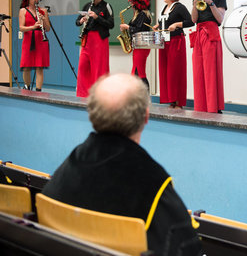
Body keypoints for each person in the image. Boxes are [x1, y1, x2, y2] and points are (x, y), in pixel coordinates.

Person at [42, 73, 202, 255]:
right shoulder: (153, 183)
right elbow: (187, 248)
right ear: (145, 117)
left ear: (93, 114)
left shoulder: (68, 169)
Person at [190, 0, 227, 113]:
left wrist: (210, 2)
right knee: (198, 71)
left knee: (211, 71)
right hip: (199, 34)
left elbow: (220, 19)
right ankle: (201, 106)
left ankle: (213, 107)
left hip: (211, 34)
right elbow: (193, 19)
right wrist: (195, 3)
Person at [154, 0, 193, 108]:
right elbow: (165, 23)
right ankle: (170, 99)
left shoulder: (179, 7)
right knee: (166, 71)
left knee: (175, 71)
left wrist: (177, 24)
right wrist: (158, 26)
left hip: (176, 42)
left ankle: (178, 101)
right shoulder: (165, 8)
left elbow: (191, 21)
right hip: (164, 42)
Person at [75, 0, 114, 97]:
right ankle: (83, 94)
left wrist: (98, 17)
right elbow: (76, 22)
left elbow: (111, 25)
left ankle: (99, 95)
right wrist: (81, 20)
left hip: (99, 40)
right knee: (82, 67)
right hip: (87, 39)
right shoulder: (87, 5)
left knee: (99, 68)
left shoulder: (107, 6)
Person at [18, 0, 51, 91]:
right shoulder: (23, 11)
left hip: (41, 40)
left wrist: (43, 18)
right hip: (28, 39)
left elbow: (48, 29)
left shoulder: (43, 11)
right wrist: (32, 27)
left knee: (39, 66)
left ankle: (38, 90)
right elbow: (21, 28)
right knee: (26, 66)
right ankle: (27, 87)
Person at [119, 0, 152, 89]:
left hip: (142, 46)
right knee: (136, 72)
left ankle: (145, 97)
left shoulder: (142, 14)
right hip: (138, 45)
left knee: (140, 73)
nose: (131, 4)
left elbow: (139, 29)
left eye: (133, 2)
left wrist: (127, 27)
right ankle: (140, 97)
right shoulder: (138, 14)